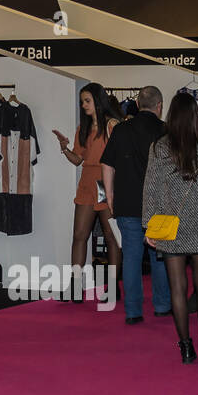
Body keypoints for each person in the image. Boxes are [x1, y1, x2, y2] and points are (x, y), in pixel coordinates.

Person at [142, 92, 198, 363]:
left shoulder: (159, 147)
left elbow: (150, 189)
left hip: (171, 226)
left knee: (177, 288)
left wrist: (148, 226)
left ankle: (186, 347)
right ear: (196, 116)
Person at [100, 85, 170, 324]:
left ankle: (133, 311)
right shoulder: (165, 131)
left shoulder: (121, 130)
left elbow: (107, 164)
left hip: (127, 202)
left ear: (138, 104)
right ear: (159, 107)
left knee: (130, 256)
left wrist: (110, 195)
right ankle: (162, 305)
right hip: (160, 204)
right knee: (159, 256)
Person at [53, 83, 120, 300]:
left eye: (87, 101)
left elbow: (121, 158)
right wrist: (64, 148)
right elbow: (77, 160)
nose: (83, 105)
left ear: (98, 101)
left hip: (105, 183)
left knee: (111, 237)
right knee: (79, 235)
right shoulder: (82, 129)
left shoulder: (112, 126)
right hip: (86, 182)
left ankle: (113, 286)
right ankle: (75, 285)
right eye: (82, 101)